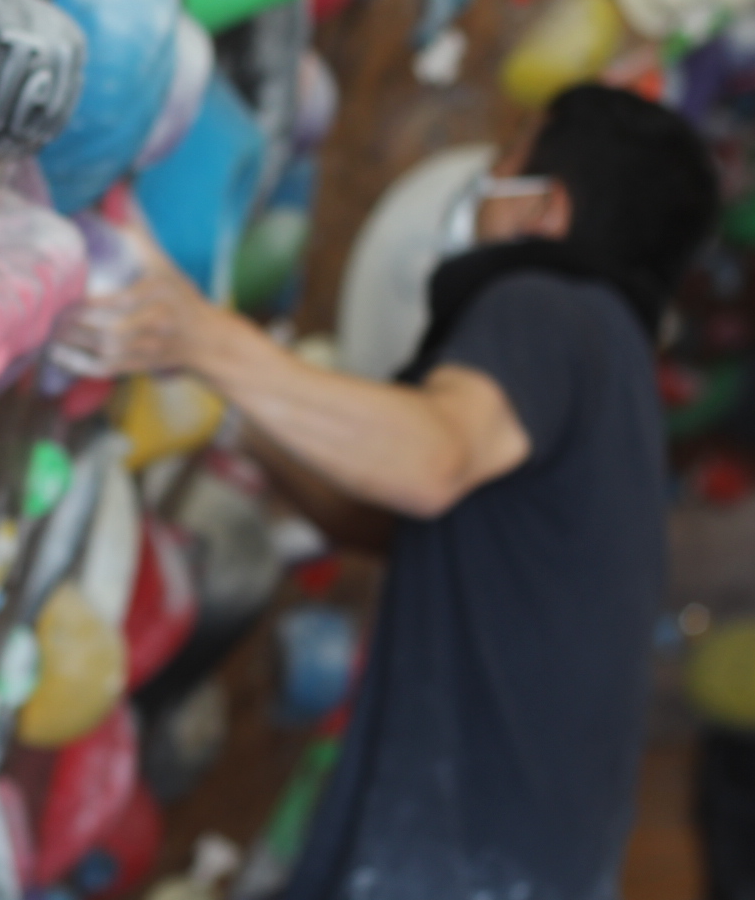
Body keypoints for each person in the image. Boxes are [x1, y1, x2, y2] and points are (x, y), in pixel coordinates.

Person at [57, 84, 719, 900]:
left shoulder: (547, 309)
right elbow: (378, 515)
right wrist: (234, 414)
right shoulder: (615, 369)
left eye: (505, 158)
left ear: (544, 208)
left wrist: (203, 336)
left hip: (457, 861)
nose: (485, 179)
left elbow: (432, 461)